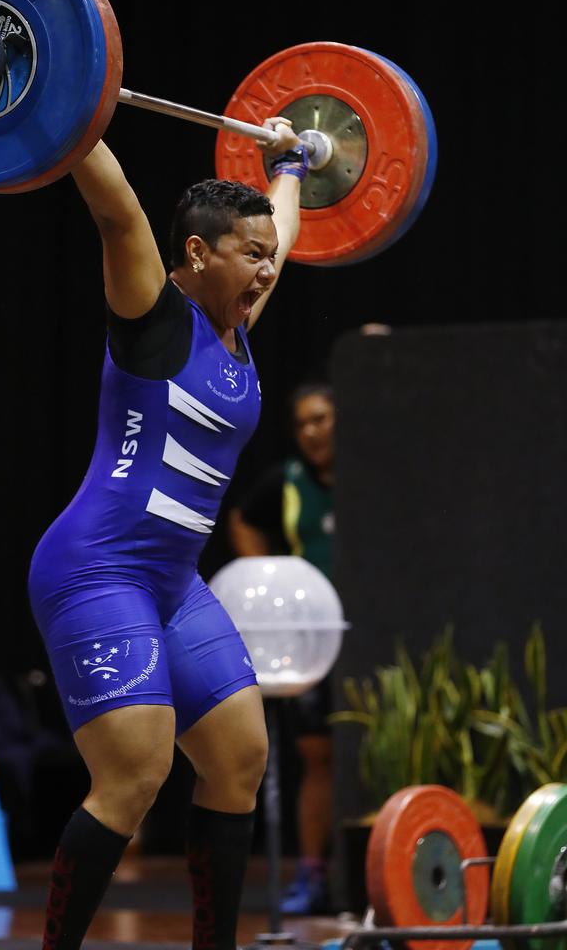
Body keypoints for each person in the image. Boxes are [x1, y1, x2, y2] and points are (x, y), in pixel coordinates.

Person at [27, 118, 307, 950]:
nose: (266, 266)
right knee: (136, 774)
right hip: (96, 571)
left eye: (266, 255)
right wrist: (71, 117)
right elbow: (117, 212)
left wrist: (292, 161)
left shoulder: (239, 328)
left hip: (173, 582)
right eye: (248, 253)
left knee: (238, 758)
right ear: (195, 254)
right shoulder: (155, 314)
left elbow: (284, 232)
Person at [229, 382, 336, 915]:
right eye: (302, 425)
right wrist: (271, 579)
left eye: (321, 419)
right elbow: (243, 521)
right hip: (317, 643)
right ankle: (313, 874)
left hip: (379, 637)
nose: (312, 432)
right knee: (317, 756)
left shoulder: (376, 469)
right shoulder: (289, 483)